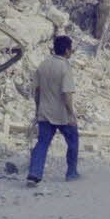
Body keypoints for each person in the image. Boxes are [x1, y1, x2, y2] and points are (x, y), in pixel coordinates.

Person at [26, 34, 80, 185]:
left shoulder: (43, 64)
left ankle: (34, 173)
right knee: (73, 140)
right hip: (62, 114)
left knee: (42, 143)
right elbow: (66, 94)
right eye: (71, 50)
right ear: (67, 50)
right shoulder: (65, 67)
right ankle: (71, 173)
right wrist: (71, 115)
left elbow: (37, 91)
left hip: (45, 112)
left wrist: (38, 109)